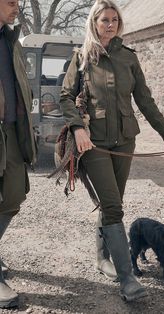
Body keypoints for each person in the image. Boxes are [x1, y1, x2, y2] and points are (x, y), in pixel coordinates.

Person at [60, 0, 164, 301]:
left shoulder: (129, 58)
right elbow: (65, 97)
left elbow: (145, 100)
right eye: (104, 20)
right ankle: (128, 280)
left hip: (125, 140)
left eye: (114, 19)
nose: (110, 24)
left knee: (113, 202)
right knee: (114, 206)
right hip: (93, 143)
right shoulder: (82, 57)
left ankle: (102, 258)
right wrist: (78, 128)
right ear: (94, 23)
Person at [0, 0, 36, 309]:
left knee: (13, 197)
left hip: (11, 131)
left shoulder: (10, 39)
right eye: (11, 1)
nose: (17, 7)